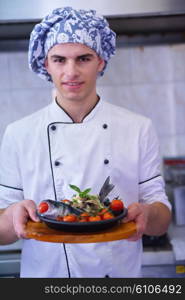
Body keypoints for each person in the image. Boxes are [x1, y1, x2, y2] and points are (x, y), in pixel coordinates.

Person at [0, 7, 171, 278]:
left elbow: (161, 220)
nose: (71, 72)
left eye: (83, 58)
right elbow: (2, 233)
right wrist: (12, 217)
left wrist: (148, 214)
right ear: (46, 64)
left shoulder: (138, 128)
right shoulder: (18, 134)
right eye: (59, 60)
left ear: (100, 61)